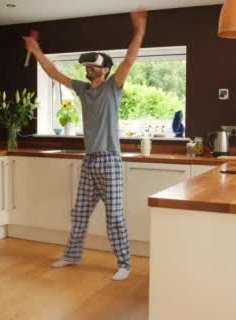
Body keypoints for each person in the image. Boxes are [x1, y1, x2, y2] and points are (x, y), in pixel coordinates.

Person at [23, 10, 147, 281]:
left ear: (105, 69)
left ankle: (124, 263)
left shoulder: (113, 86)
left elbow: (129, 58)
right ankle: (72, 254)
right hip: (90, 160)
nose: (88, 69)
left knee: (114, 217)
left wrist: (139, 31)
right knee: (79, 213)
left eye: (93, 67)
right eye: (86, 67)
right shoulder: (82, 89)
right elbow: (53, 72)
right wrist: (36, 50)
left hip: (110, 160)